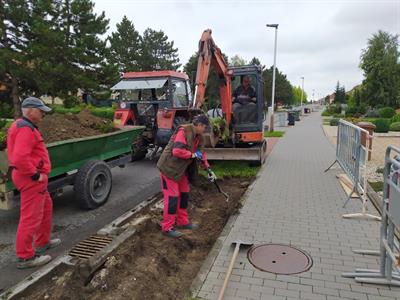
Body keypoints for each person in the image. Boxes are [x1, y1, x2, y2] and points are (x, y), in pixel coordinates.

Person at [7, 97, 61, 269]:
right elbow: (20, 158)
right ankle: (25, 257)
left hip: (30, 178)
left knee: (46, 207)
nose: (43, 113)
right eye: (40, 110)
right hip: (30, 179)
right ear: (30, 110)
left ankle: (43, 242)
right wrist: (35, 175)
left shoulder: (21, 125)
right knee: (31, 217)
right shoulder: (25, 129)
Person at [157, 115, 216, 238]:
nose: (205, 130)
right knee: (172, 197)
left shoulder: (199, 137)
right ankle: (167, 227)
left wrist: (209, 169)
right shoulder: (183, 131)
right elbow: (177, 151)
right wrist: (192, 155)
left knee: (184, 194)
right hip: (169, 169)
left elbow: (201, 154)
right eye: (204, 127)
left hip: (182, 169)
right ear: (199, 125)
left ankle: (182, 221)